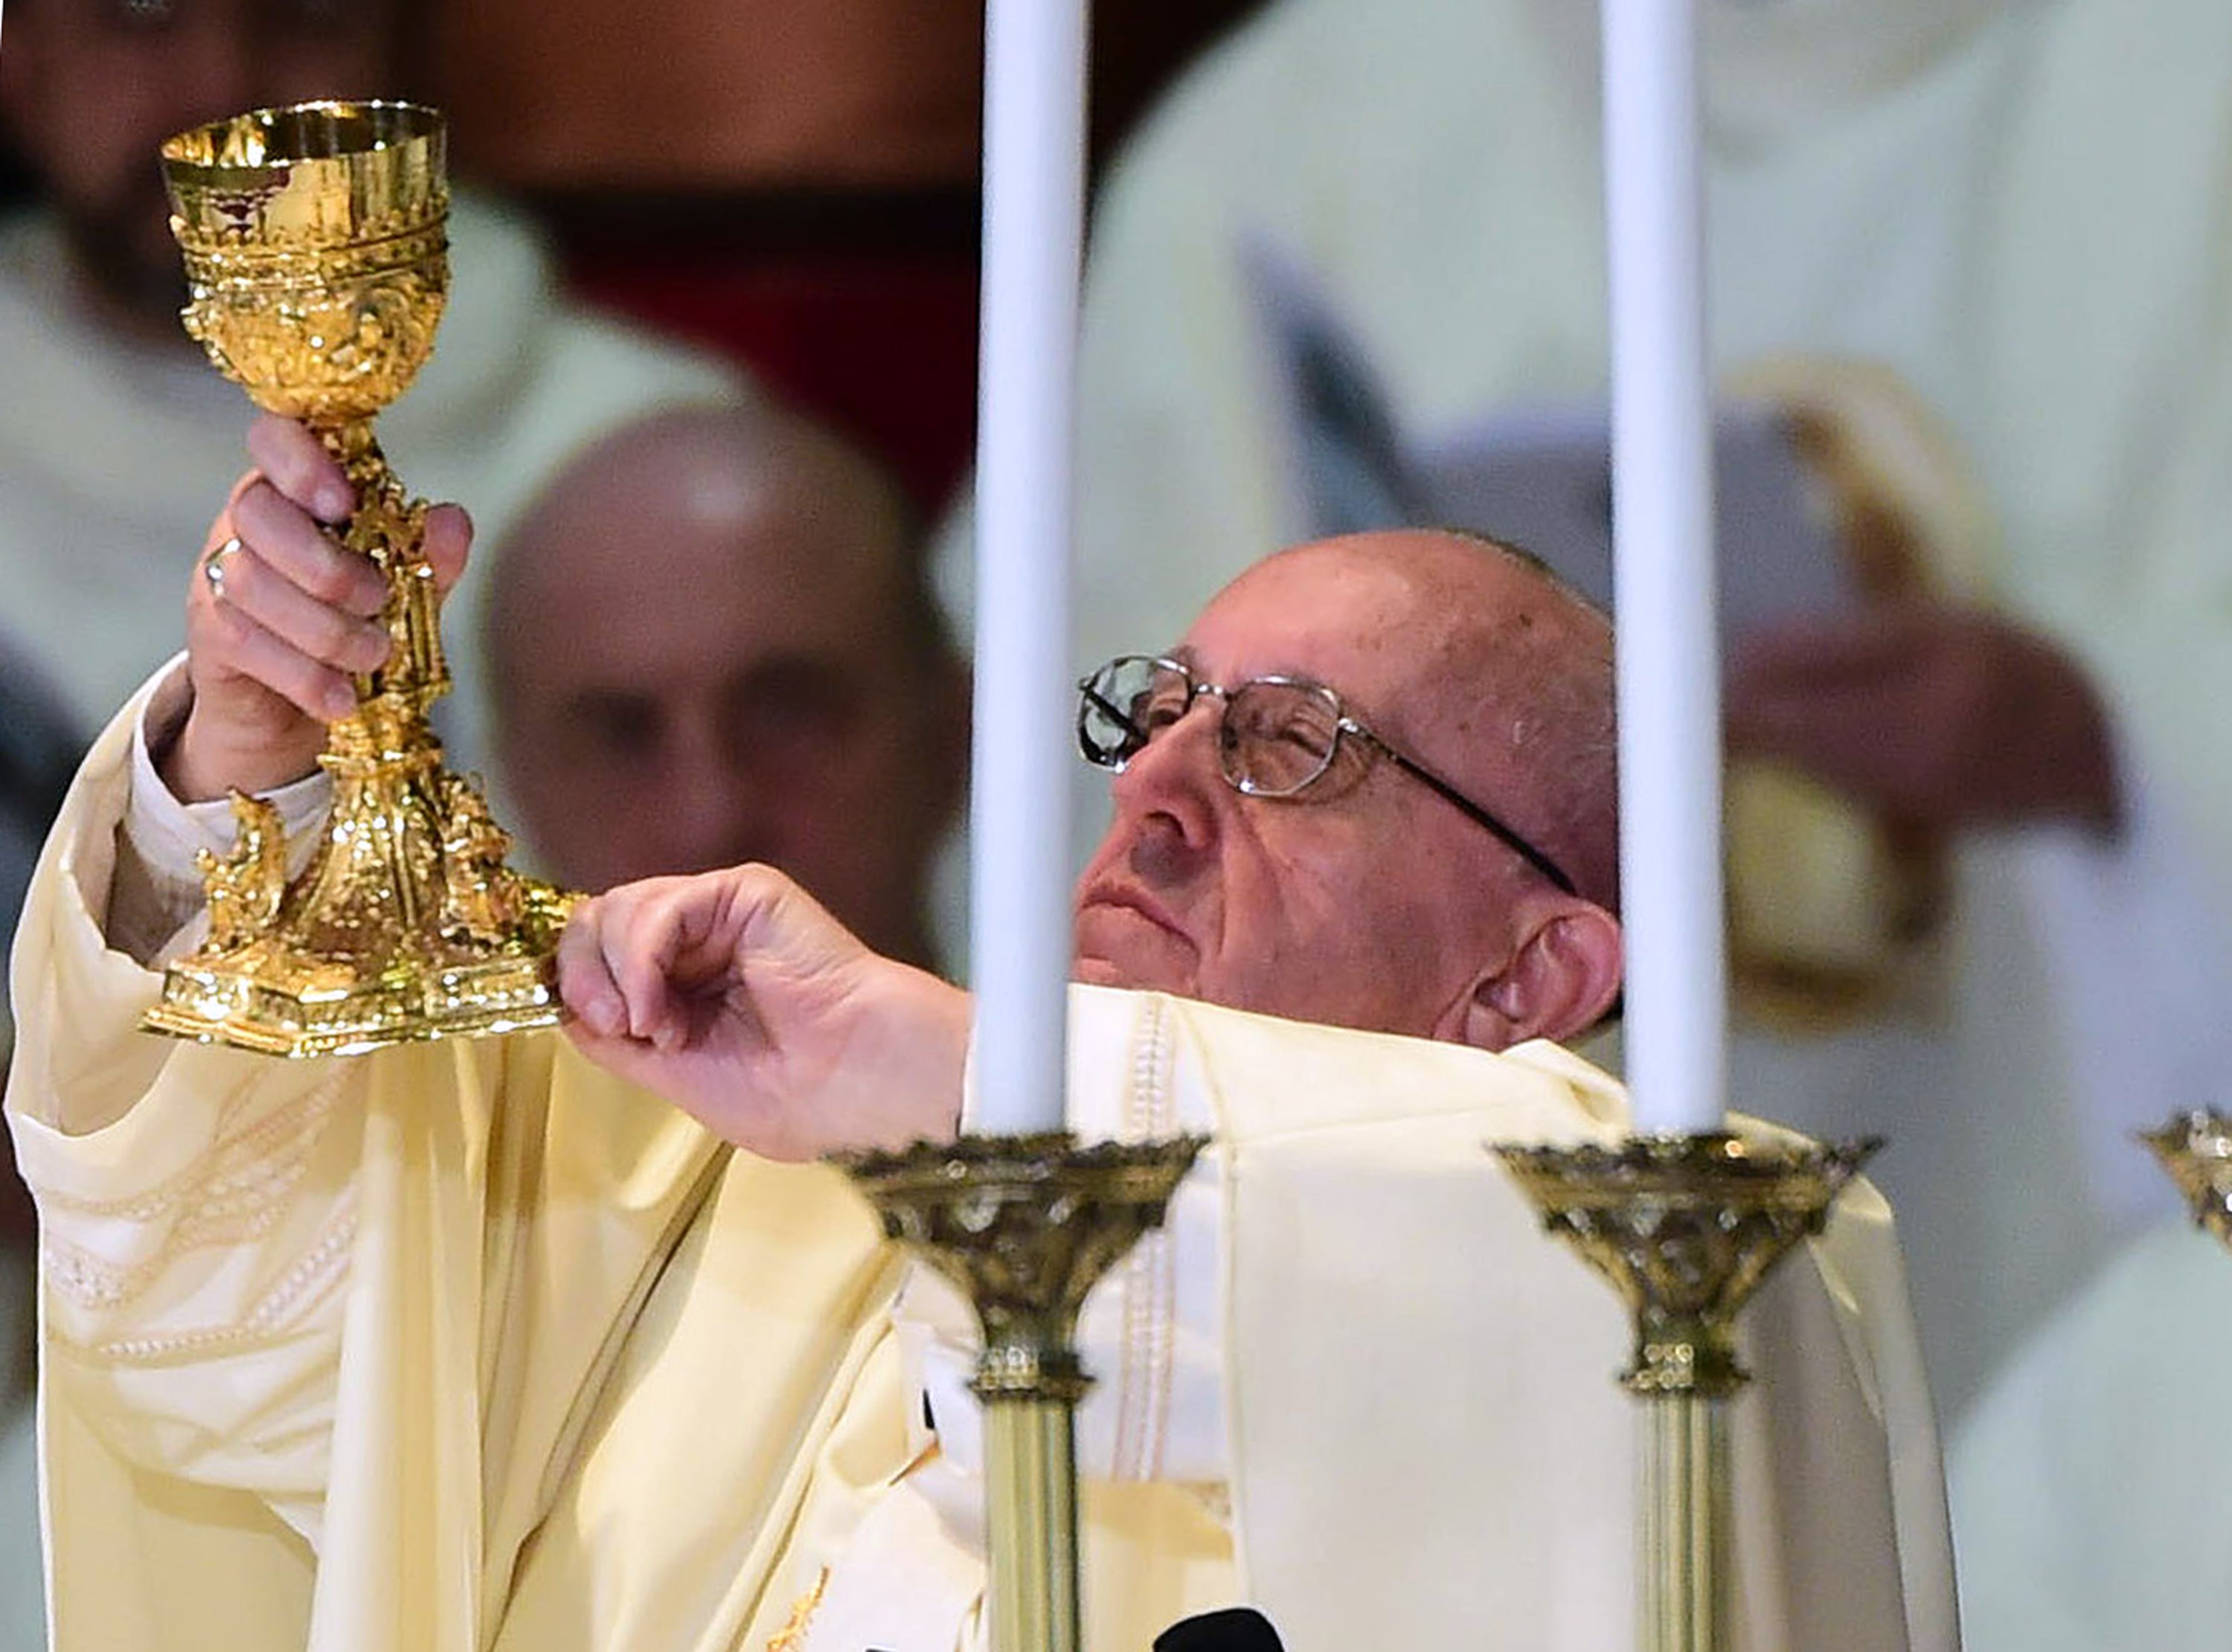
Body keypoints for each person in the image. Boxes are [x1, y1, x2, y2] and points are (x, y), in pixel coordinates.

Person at [3, 417, 1954, 1651]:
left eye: (1291, 746)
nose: (1161, 793)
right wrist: (243, 782)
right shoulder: (720, 1201)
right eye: (1156, 716)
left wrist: (943, 1086)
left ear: (1533, 977)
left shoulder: (1700, 1273)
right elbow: (231, 1331)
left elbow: (1528, 1269)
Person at [1040, 0, 2232, 1423]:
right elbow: (1093, 730)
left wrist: (2115, 745)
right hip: (1431, 1300)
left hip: (2069, 1232)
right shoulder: (1319, 125)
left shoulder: (2178, 80)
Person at [482, 404, 967, 968]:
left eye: (787, 717)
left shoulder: (1092, 1055)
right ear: (510, 782)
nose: (708, 823)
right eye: (623, 733)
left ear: (954, 733)